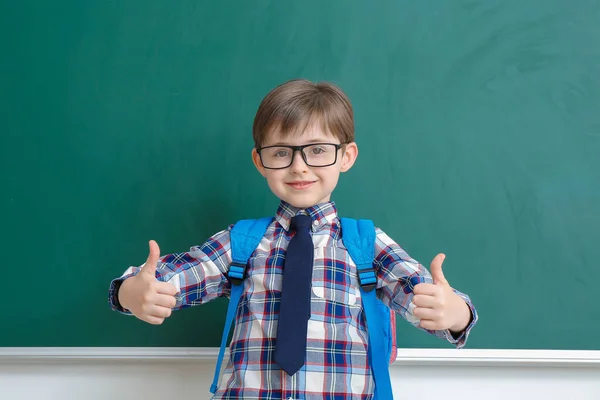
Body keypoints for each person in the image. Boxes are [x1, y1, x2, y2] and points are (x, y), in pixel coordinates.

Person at [108, 79, 478, 399]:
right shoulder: (242, 241)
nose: (299, 166)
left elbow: (430, 301)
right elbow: (167, 280)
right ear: (259, 161)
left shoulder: (366, 243)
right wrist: (133, 292)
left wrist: (454, 312)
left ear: (346, 156)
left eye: (317, 150)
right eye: (281, 152)